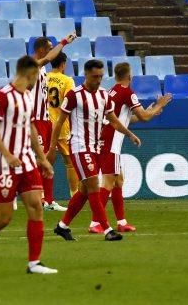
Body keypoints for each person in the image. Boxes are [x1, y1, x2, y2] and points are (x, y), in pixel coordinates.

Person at [0, 56, 58, 275]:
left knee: (36, 206)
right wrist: (7, 155)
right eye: (37, 76)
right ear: (31, 73)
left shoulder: (27, 97)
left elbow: (31, 129)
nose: (38, 81)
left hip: (26, 161)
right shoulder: (3, 96)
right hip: (5, 164)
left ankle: (34, 263)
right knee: (3, 218)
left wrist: (42, 158)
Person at [48, 60, 141, 242]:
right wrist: (52, 148)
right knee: (92, 186)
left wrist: (130, 134)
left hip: (96, 148)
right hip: (79, 147)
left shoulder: (104, 96)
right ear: (86, 74)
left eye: (100, 77)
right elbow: (59, 121)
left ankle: (62, 226)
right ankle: (107, 230)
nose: (98, 80)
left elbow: (113, 120)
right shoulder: (74, 95)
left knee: (83, 190)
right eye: (94, 76)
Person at [87, 62, 172, 234]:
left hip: (105, 137)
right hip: (112, 141)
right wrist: (159, 105)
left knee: (118, 181)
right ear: (129, 77)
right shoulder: (127, 92)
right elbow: (144, 117)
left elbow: (126, 118)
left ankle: (121, 221)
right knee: (109, 182)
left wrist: (150, 111)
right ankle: (95, 222)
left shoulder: (112, 91)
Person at [30, 35, 77, 211]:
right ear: (41, 49)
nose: (51, 51)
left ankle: (49, 200)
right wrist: (64, 42)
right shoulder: (32, 64)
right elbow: (50, 58)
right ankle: (38, 196)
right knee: (39, 160)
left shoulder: (44, 72)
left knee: (49, 158)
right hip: (35, 119)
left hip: (47, 120)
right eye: (49, 48)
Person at [46, 52, 80, 197]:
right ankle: (74, 195)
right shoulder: (67, 80)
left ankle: (41, 195)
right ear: (63, 64)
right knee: (70, 162)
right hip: (61, 125)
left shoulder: (43, 77)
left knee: (44, 160)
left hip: (44, 124)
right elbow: (71, 102)